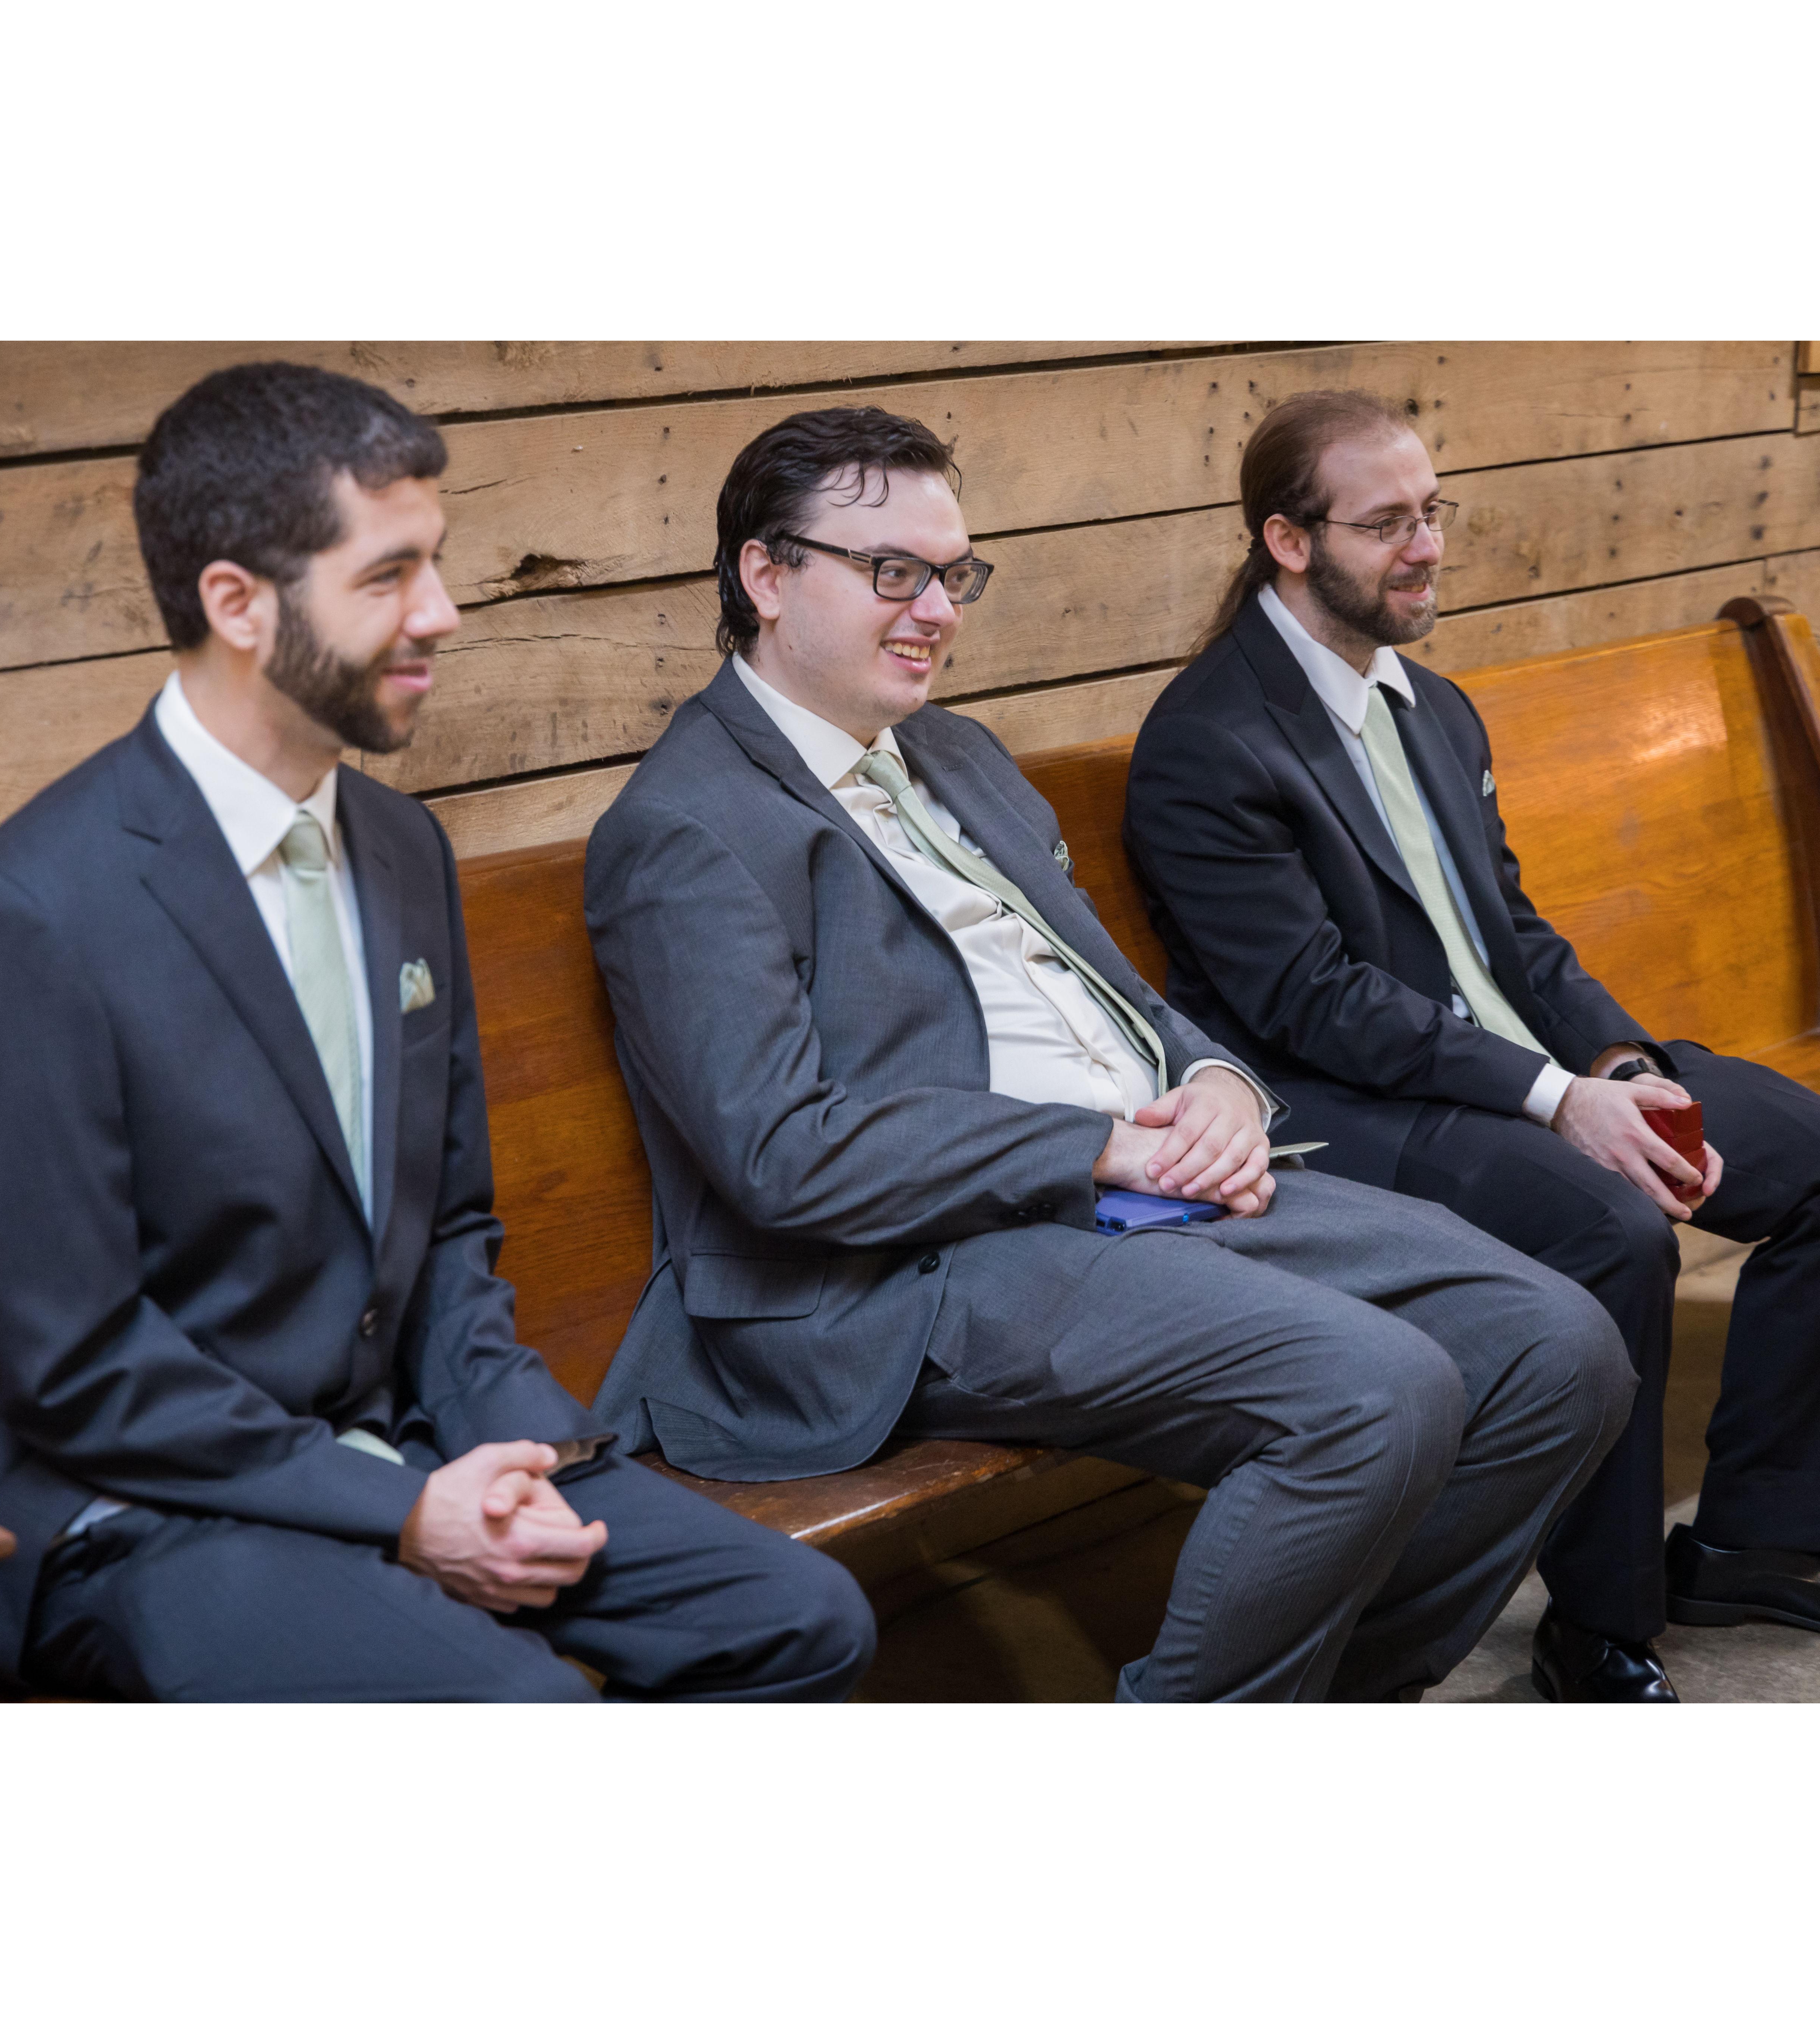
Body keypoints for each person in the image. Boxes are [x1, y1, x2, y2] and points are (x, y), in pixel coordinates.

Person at [582, 403, 1634, 1703]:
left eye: (953, 575)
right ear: (767, 575)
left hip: (1142, 1191)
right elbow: (781, 1156)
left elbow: (1114, 996)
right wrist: (1093, 1147)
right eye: (893, 573)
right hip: (911, 1268)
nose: (935, 612)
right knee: (1374, 1390)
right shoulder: (689, 828)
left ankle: (1336, 1699)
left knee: (1558, 1347)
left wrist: (1218, 1082)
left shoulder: (955, 754)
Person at [0, 362, 873, 1703]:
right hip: (139, 1511)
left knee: (803, 1619)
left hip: (401, 1439)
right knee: (526, 1710)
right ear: (236, 604)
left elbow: (450, 1231)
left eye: (437, 561)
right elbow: (75, 1367)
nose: (443, 612)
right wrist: (402, 1512)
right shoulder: (29, 913)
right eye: (388, 576)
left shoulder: (400, 847)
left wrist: (519, 1460)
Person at [1122, 387, 1820, 1701]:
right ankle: (1598, 1625)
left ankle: (1752, 1540)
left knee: (1812, 1154)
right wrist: (1558, 1101)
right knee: (1611, 1227)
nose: (1428, 546)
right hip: (1346, 1110)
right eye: (1387, 523)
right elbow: (1314, 1001)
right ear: (1288, 541)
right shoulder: (1208, 744)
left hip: (1516, 1074)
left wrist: (1615, 1065)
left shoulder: (1432, 705)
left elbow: (1516, 936)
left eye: (1433, 511)